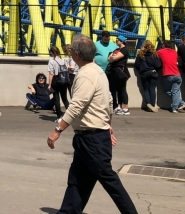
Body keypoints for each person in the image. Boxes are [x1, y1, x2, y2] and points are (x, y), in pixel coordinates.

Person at [47, 34, 137, 214]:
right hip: (91, 136)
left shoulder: (86, 75)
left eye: (72, 50)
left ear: (77, 55)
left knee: (109, 179)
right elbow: (109, 101)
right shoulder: (98, 71)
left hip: (92, 139)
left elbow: (76, 106)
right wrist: (108, 125)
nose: (70, 52)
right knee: (78, 180)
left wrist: (57, 130)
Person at [157, 40, 185, 112]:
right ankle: (175, 108)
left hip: (167, 74)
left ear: (163, 45)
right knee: (176, 92)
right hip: (177, 74)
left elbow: (155, 57)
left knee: (166, 90)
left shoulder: (160, 52)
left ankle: (181, 102)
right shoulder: (174, 52)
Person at [134, 40, 162, 112]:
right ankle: (152, 105)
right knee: (152, 89)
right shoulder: (154, 54)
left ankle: (148, 103)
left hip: (144, 73)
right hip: (153, 72)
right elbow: (158, 65)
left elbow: (137, 65)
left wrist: (141, 69)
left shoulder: (140, 54)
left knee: (146, 89)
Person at [107, 36, 131, 115]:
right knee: (118, 89)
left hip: (121, 70)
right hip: (115, 70)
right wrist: (111, 56)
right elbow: (109, 58)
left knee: (123, 89)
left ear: (122, 41)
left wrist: (112, 56)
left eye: (118, 40)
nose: (116, 42)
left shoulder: (124, 50)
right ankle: (119, 106)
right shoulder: (117, 50)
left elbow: (113, 58)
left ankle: (125, 108)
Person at [48, 46, 72, 122]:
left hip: (56, 80)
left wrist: (49, 84)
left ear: (51, 53)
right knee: (65, 98)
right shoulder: (64, 60)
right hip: (64, 81)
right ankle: (71, 116)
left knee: (56, 99)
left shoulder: (52, 61)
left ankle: (59, 117)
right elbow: (68, 68)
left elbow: (51, 73)